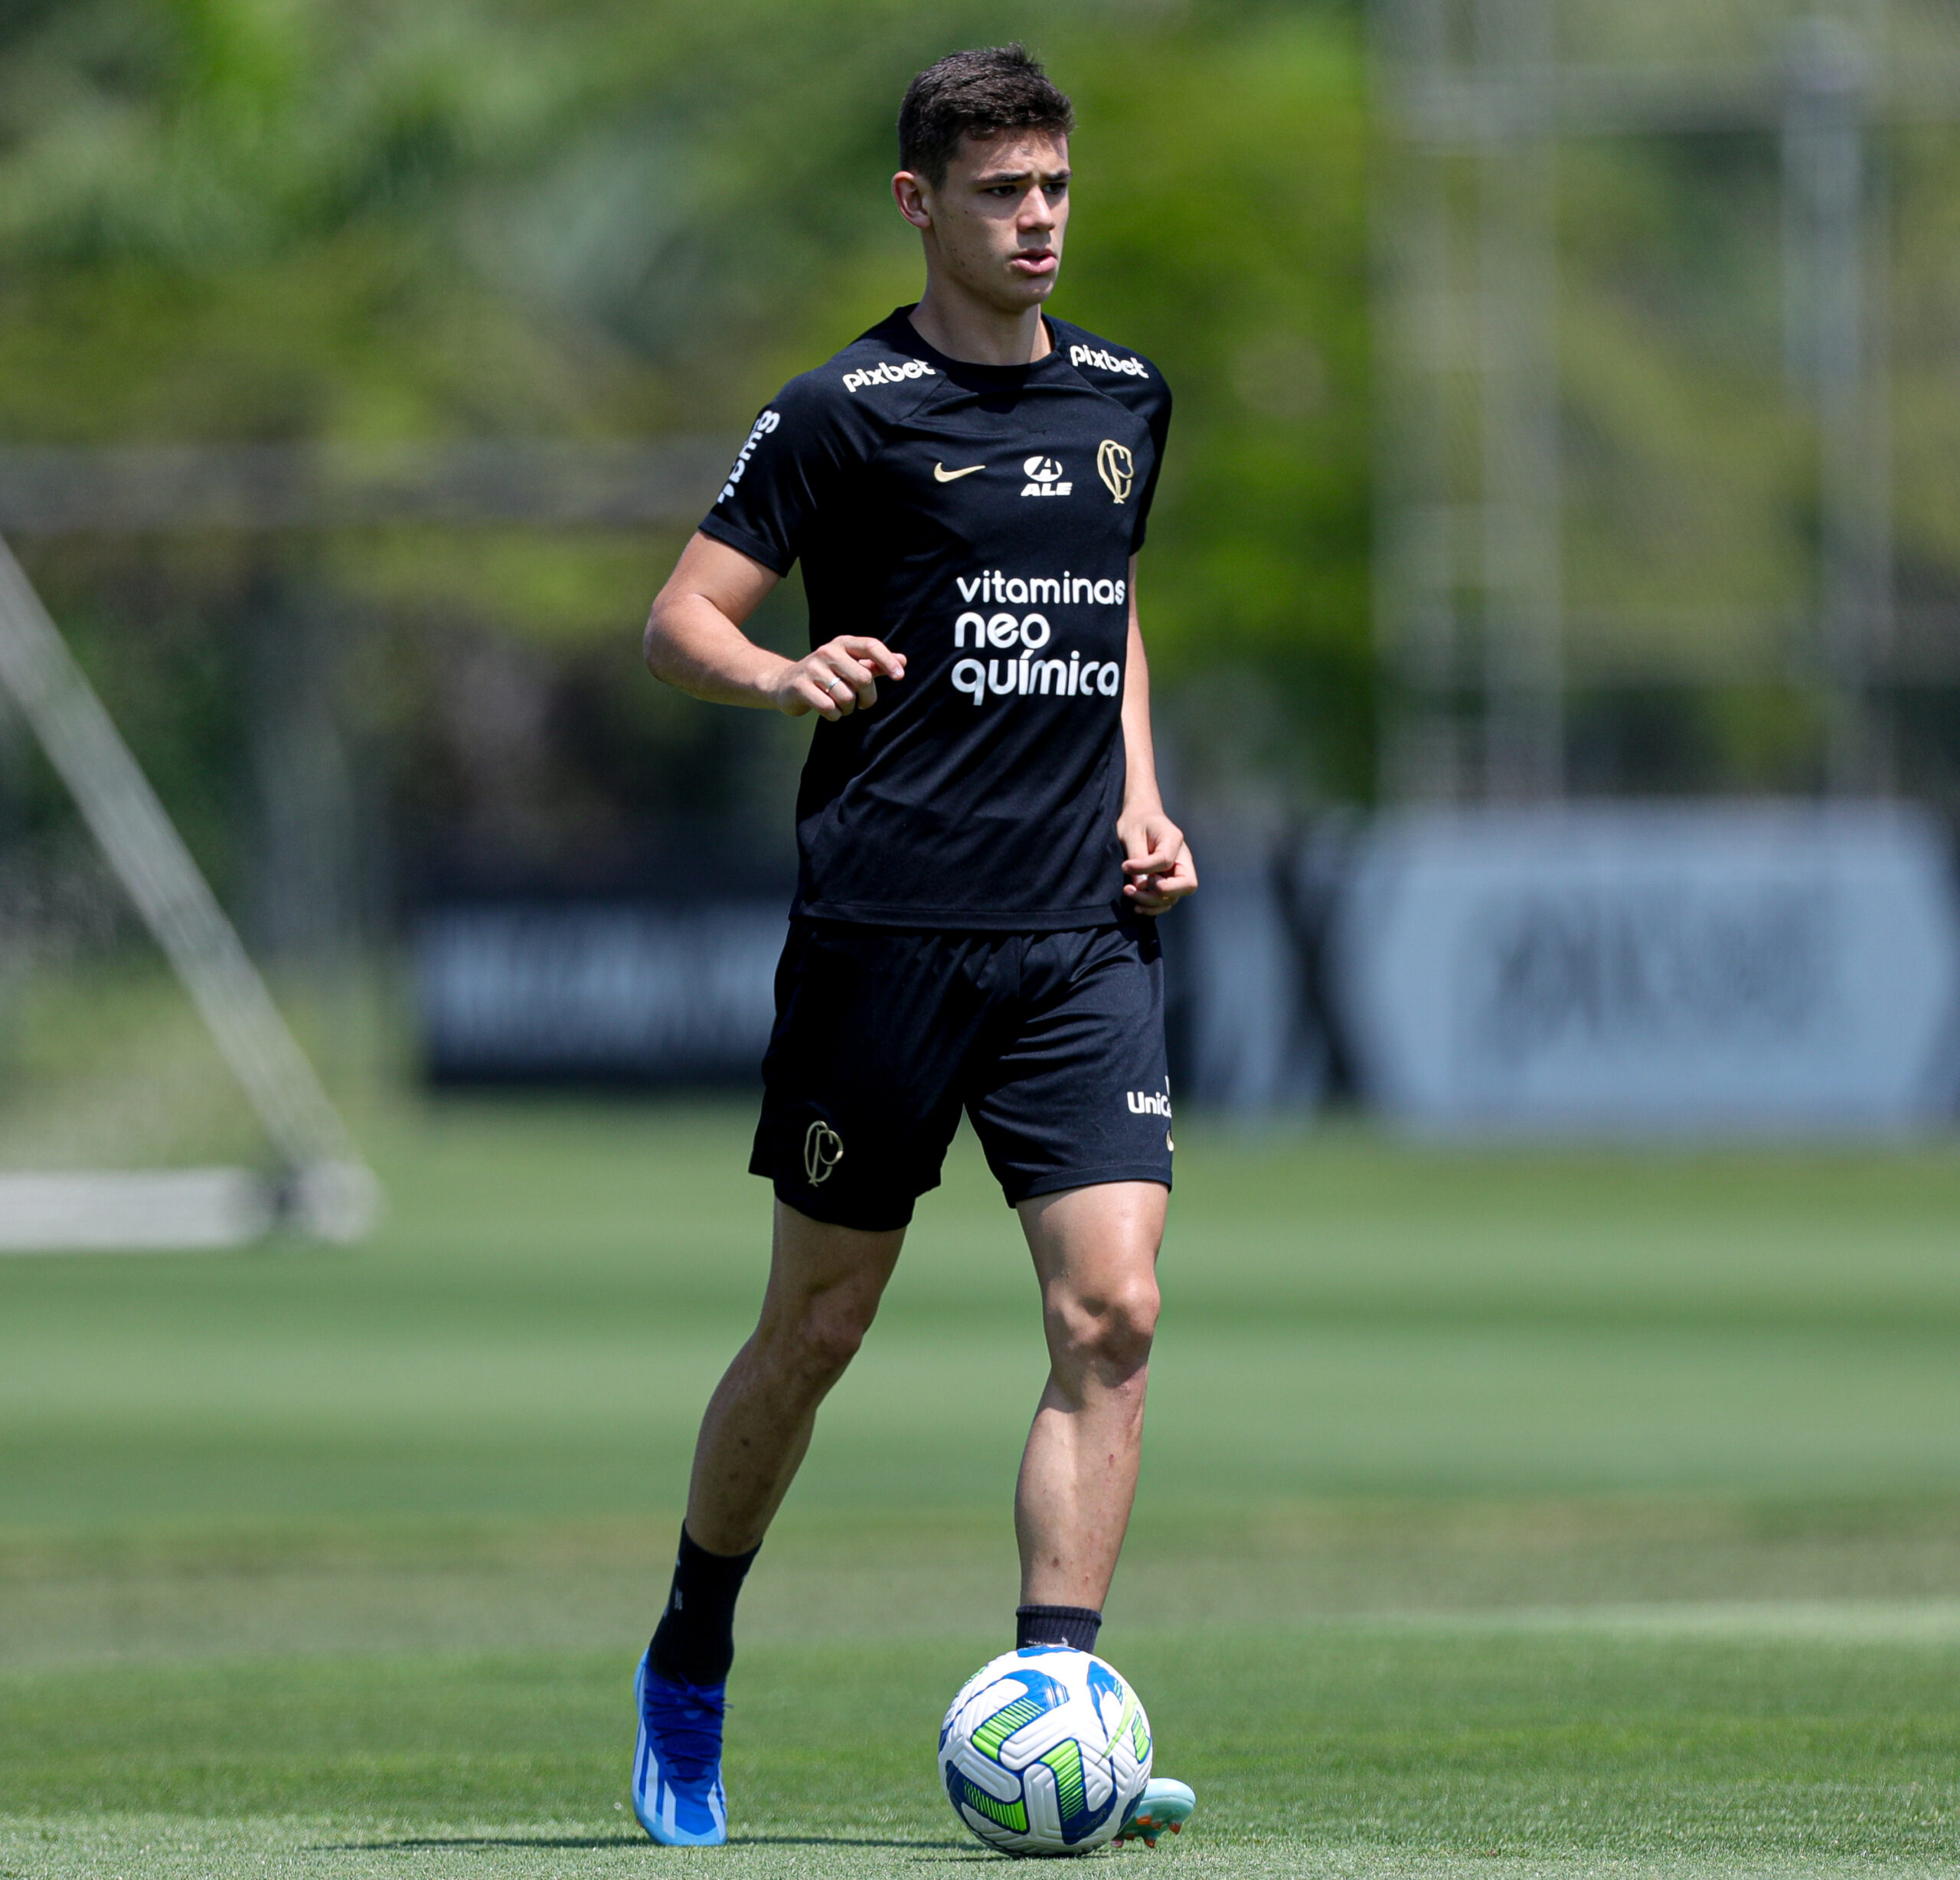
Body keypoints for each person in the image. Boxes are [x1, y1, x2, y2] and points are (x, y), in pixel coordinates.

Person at [632, 43, 1198, 1849]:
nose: (1036, 219)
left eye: (1051, 186)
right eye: (999, 192)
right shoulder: (842, 412)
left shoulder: (1124, 397)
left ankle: (1058, 1707)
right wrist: (784, 669)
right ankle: (690, 1653)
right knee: (817, 1325)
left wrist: (1140, 799)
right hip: (881, 936)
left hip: (1074, 942)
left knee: (1110, 1312)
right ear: (918, 203)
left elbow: (1102, 618)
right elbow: (676, 620)